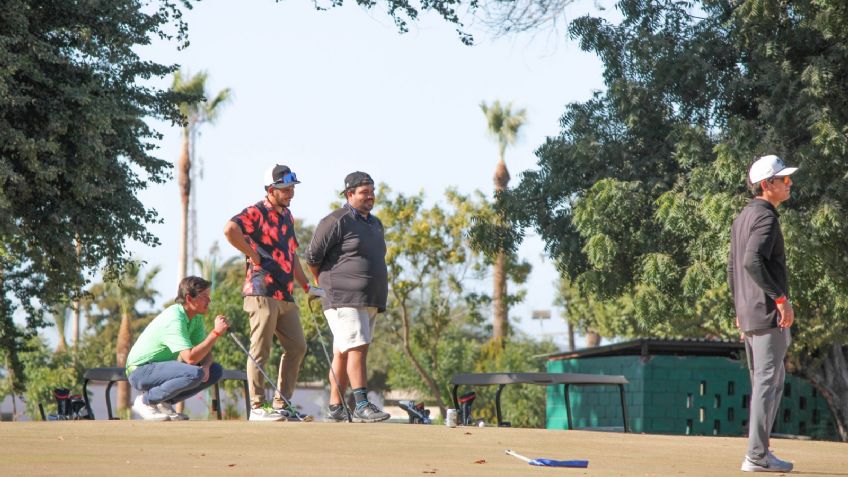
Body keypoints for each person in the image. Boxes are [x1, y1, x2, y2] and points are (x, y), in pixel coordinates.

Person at [224, 164, 317, 422]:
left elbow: (292, 255)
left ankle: (281, 403)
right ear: (270, 189)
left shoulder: (288, 216)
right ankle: (257, 406)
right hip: (261, 290)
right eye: (285, 189)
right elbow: (230, 229)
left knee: (297, 346)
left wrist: (306, 285)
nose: (290, 193)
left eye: (292, 188)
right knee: (261, 348)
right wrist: (252, 254)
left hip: (285, 294)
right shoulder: (256, 211)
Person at [728, 154, 797, 473]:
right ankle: (756, 456)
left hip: (751, 314)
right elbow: (750, 262)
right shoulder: (766, 217)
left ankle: (760, 451)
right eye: (783, 180)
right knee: (768, 384)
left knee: (767, 382)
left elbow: (733, 269)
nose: (789, 183)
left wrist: (740, 310)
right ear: (766, 185)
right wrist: (780, 299)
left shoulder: (743, 217)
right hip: (767, 314)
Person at [305, 171, 390, 423]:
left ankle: (335, 407)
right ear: (349, 194)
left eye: (372, 191)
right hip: (343, 296)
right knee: (357, 348)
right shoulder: (336, 220)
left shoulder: (374, 223)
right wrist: (324, 282)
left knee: (343, 351)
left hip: (369, 298)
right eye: (364, 192)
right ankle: (361, 404)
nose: (370, 196)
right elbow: (312, 256)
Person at [126, 276, 229, 421]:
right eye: (204, 296)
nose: (209, 300)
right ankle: (146, 401)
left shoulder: (196, 318)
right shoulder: (175, 317)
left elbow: (206, 354)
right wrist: (216, 333)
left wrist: (206, 366)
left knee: (215, 371)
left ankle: (164, 402)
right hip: (140, 370)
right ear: (189, 298)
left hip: (158, 369)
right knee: (194, 373)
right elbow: (190, 358)